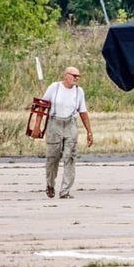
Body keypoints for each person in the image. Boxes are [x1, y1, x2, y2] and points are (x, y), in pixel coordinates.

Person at [40, 66, 93, 198]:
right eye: (74, 75)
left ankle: (65, 191)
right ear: (65, 75)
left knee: (70, 157)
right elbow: (42, 105)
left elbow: (83, 111)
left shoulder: (79, 91)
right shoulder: (54, 87)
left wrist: (89, 132)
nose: (76, 78)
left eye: (78, 76)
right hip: (54, 123)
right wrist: (37, 126)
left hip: (70, 124)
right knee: (53, 157)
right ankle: (50, 184)